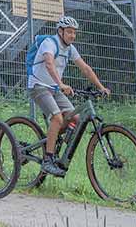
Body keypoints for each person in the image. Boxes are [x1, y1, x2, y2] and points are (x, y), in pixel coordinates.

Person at [28, 13, 110, 177]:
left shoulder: (70, 49)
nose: (72, 35)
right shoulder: (49, 43)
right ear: (60, 31)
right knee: (57, 118)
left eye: (74, 32)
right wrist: (61, 84)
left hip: (55, 88)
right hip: (38, 86)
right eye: (69, 32)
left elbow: (85, 68)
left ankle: (53, 139)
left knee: (76, 119)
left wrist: (101, 87)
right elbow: (49, 64)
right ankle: (48, 160)